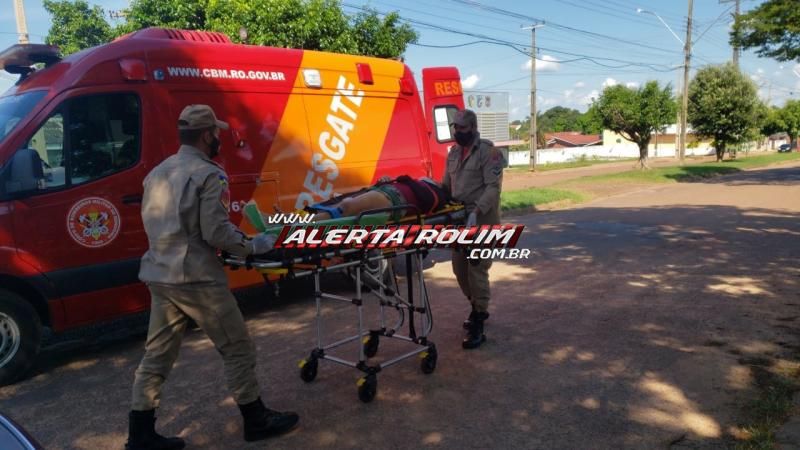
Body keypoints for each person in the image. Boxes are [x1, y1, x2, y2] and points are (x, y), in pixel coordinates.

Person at [126, 105, 298, 450]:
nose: (219, 138)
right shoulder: (209, 175)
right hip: (197, 279)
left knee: (157, 355)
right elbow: (216, 232)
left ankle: (140, 435)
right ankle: (256, 419)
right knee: (237, 347)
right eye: (216, 133)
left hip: (160, 273)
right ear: (207, 136)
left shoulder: (158, 172)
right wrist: (254, 245)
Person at [441, 109, 504, 350]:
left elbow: (493, 187)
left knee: (476, 270)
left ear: (474, 128)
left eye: (462, 128)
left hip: (482, 220)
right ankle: (476, 306)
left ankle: (479, 319)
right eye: (455, 128)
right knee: (459, 270)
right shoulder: (453, 153)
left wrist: (476, 212)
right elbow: (445, 185)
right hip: (459, 221)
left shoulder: (490, 152)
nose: (458, 132)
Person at [307, 175, 450, 222]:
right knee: (339, 205)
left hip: (393, 199)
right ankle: (303, 220)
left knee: (346, 207)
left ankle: (302, 225)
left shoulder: (435, 194)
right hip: (386, 193)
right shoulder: (422, 185)